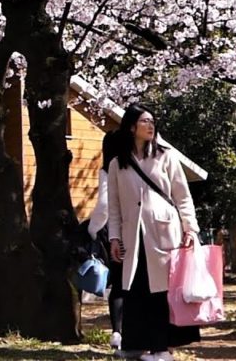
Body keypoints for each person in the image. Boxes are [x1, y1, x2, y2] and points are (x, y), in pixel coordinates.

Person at [107, 104, 200, 361]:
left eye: (152, 121)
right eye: (145, 121)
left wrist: (190, 228)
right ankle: (135, 344)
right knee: (134, 291)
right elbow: (114, 205)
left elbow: (183, 197)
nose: (150, 125)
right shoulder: (117, 164)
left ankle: (161, 349)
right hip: (131, 237)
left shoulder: (166, 157)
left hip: (163, 233)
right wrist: (114, 237)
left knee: (160, 292)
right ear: (131, 126)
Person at [88, 130, 125, 352]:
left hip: (115, 233)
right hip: (139, 231)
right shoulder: (136, 165)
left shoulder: (107, 169)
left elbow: (103, 207)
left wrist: (92, 231)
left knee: (119, 284)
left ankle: (118, 332)